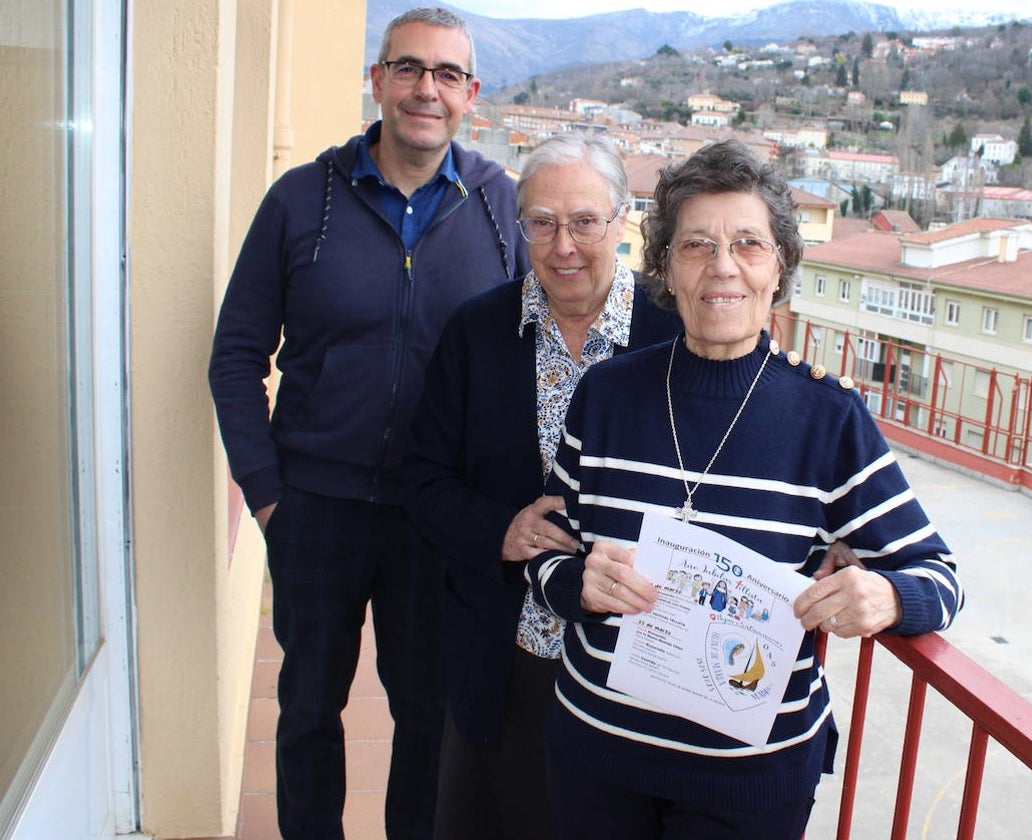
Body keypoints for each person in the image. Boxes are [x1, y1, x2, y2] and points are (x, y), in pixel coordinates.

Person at [525, 138, 964, 840]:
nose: (722, 267)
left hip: (748, 782)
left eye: (748, 245)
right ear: (666, 266)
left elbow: (938, 578)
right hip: (596, 755)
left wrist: (884, 596)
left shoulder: (828, 418)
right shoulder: (606, 395)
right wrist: (574, 582)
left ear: (780, 266)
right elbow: (547, 552)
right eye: (696, 246)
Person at [207, 9, 528, 839]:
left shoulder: (502, 208)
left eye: (447, 75)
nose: (428, 89)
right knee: (309, 705)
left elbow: (568, 322)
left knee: (428, 715)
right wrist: (268, 494)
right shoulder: (301, 200)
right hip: (316, 506)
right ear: (377, 80)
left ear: (471, 96)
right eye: (409, 69)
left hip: (438, 515)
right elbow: (236, 355)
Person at [402, 133, 681, 840]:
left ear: (623, 223)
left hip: (640, 667)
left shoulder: (676, 336)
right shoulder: (474, 332)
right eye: (542, 222)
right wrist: (500, 528)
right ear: (520, 225)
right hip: (509, 655)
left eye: (585, 221)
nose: (564, 245)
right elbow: (423, 479)